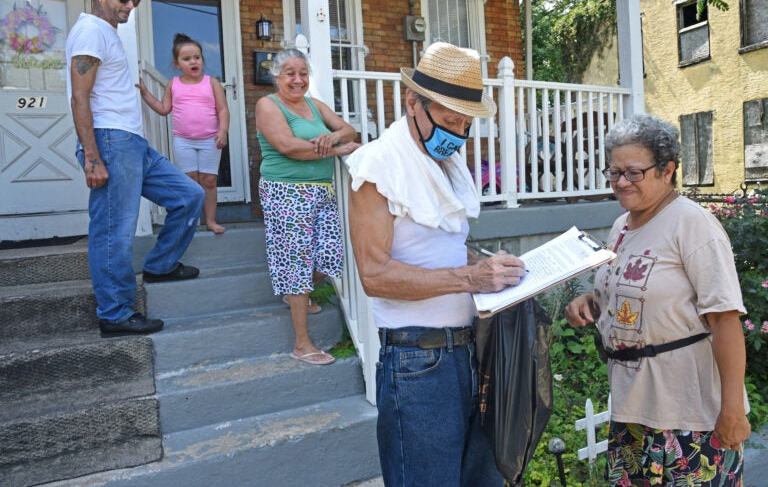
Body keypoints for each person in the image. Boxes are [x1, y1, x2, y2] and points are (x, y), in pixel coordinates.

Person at [346, 42, 527, 486]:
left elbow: (441, 248)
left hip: (467, 352)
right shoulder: (378, 164)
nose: (459, 133)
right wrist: (469, 277)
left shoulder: (444, 162)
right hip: (417, 361)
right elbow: (374, 275)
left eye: (466, 123)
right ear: (413, 102)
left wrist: (489, 267)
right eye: (449, 121)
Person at [564, 114, 751, 485]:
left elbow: (725, 319)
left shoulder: (692, 224)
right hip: (633, 409)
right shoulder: (622, 225)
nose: (621, 182)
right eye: (614, 172)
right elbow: (638, 295)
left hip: (689, 416)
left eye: (633, 172)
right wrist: (591, 301)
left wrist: (732, 409)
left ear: (667, 170)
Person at [67, 0, 204, 337]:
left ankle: (160, 264)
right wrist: (93, 156)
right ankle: (115, 313)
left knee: (189, 195)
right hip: (110, 141)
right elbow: (80, 97)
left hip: (133, 143)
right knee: (115, 230)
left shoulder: (108, 34)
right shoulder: (90, 31)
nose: (129, 5)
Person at [255, 49, 360, 365]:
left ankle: (293, 291)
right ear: (277, 76)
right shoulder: (268, 105)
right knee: (298, 262)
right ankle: (302, 343)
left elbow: (349, 129)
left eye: (302, 72)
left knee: (330, 254)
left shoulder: (315, 105)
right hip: (286, 192)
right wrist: (335, 148)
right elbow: (288, 147)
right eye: (289, 73)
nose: (297, 79)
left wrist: (334, 137)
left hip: (322, 191)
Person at [136, 33, 230, 234]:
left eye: (197, 57)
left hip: (210, 140)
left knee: (209, 181)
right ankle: (191, 222)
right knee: (190, 182)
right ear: (177, 64)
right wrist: (145, 93)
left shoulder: (211, 82)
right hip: (183, 141)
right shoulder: (173, 84)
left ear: (202, 60)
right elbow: (163, 109)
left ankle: (211, 221)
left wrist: (223, 131)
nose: (193, 61)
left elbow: (223, 109)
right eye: (187, 59)